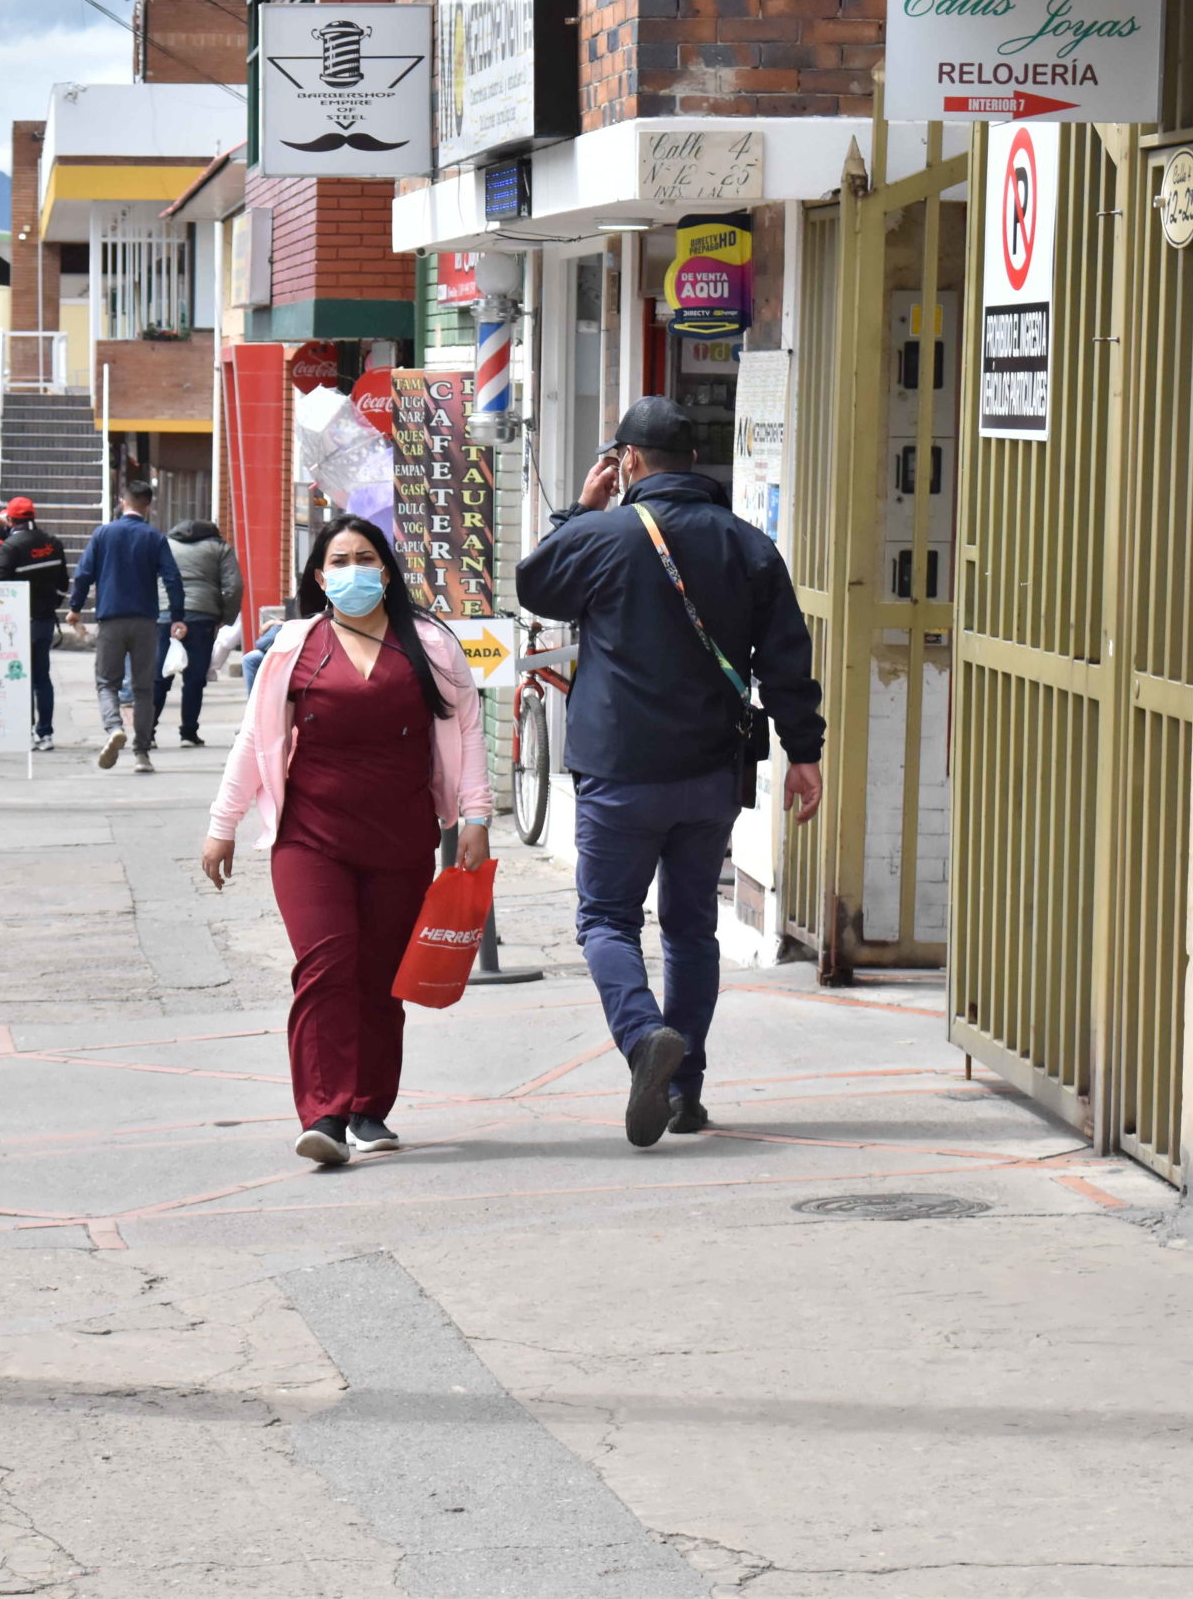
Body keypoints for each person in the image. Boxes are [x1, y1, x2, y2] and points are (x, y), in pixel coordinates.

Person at [515, 396, 827, 1148]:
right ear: (693, 462)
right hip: (710, 775)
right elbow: (786, 659)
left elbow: (534, 586)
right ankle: (685, 1092)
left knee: (606, 919)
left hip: (620, 772)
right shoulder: (749, 545)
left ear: (627, 462)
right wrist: (805, 752)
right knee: (691, 928)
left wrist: (579, 513)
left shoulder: (606, 535)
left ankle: (643, 1034)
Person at [202, 515, 491, 1166]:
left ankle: (369, 1109)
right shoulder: (293, 647)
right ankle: (325, 1114)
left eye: (366, 558)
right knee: (326, 967)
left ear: (386, 571)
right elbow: (254, 741)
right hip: (310, 840)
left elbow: (467, 730)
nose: (353, 571)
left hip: (402, 839)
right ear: (319, 575)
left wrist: (475, 815)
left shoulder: (432, 646)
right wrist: (223, 827)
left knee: (382, 978)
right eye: (340, 561)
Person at [65, 480, 186, 773]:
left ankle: (114, 728)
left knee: (108, 682)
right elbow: (172, 578)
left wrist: (75, 607)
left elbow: (83, 574)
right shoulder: (155, 538)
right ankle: (142, 754)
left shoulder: (104, 534)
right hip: (146, 621)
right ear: (148, 506)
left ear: (123, 502)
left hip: (110, 619)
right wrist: (178, 615)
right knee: (144, 689)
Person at [0, 497, 68, 750]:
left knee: (19, 680)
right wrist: (49, 606)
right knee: (42, 678)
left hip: (17, 625)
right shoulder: (52, 543)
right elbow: (63, 584)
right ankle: (45, 734)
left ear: (10, 520)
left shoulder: (10, 547)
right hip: (44, 622)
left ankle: (25, 734)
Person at [160, 519, 241, 747]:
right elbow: (234, 586)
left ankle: (148, 733)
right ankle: (188, 733)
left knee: (159, 676)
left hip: (165, 615)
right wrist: (226, 616)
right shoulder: (219, 547)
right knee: (195, 678)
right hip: (202, 615)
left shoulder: (166, 544)